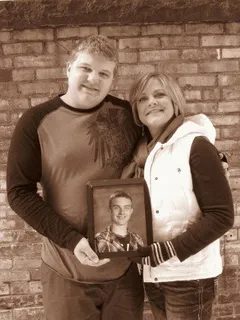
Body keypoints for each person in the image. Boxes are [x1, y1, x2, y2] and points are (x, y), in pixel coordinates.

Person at [6, 35, 144, 320]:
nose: (93, 78)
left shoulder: (128, 116)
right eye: (85, 68)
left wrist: (212, 154)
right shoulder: (35, 121)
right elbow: (19, 192)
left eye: (104, 73)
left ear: (112, 80)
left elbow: (168, 141)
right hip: (65, 270)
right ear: (68, 68)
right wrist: (71, 240)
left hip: (123, 273)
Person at [122, 72, 234, 320]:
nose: (151, 101)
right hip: (153, 274)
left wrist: (169, 250)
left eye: (159, 94)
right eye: (142, 99)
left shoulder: (196, 145)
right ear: (136, 111)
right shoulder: (142, 154)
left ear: (175, 101)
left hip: (189, 277)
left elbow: (222, 216)